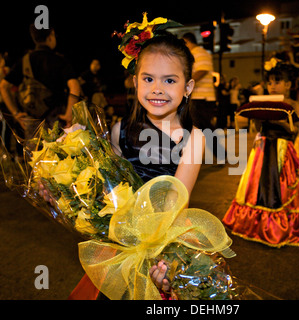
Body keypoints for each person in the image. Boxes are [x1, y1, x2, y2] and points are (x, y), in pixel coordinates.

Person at [68, 31, 205, 300]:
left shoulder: (193, 138)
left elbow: (177, 203)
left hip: (159, 244)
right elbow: (105, 185)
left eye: (169, 80)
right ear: (135, 81)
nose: (157, 88)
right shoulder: (120, 130)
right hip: (118, 244)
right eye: (148, 78)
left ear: (187, 87)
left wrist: (160, 257)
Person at [222, 61, 299, 247]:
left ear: (288, 85)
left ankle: (280, 225)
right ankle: (255, 222)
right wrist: (256, 117)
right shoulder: (264, 103)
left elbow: (294, 129)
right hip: (262, 147)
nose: (272, 86)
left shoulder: (292, 103)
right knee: (256, 187)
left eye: (277, 82)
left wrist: (273, 117)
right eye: (270, 83)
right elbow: (256, 127)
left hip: (282, 148)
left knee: (283, 186)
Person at [0, 24, 81, 136]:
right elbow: (74, 86)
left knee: (35, 152)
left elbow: (3, 86)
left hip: (32, 119)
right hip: (57, 117)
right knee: (57, 150)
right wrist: (69, 114)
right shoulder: (59, 60)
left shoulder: (25, 60)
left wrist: (16, 113)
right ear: (50, 36)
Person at [182, 32, 216, 131]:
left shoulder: (199, 52)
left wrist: (186, 83)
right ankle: (214, 146)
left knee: (203, 126)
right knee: (200, 126)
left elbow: (202, 70)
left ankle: (217, 147)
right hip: (199, 97)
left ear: (187, 42)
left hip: (203, 98)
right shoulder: (197, 53)